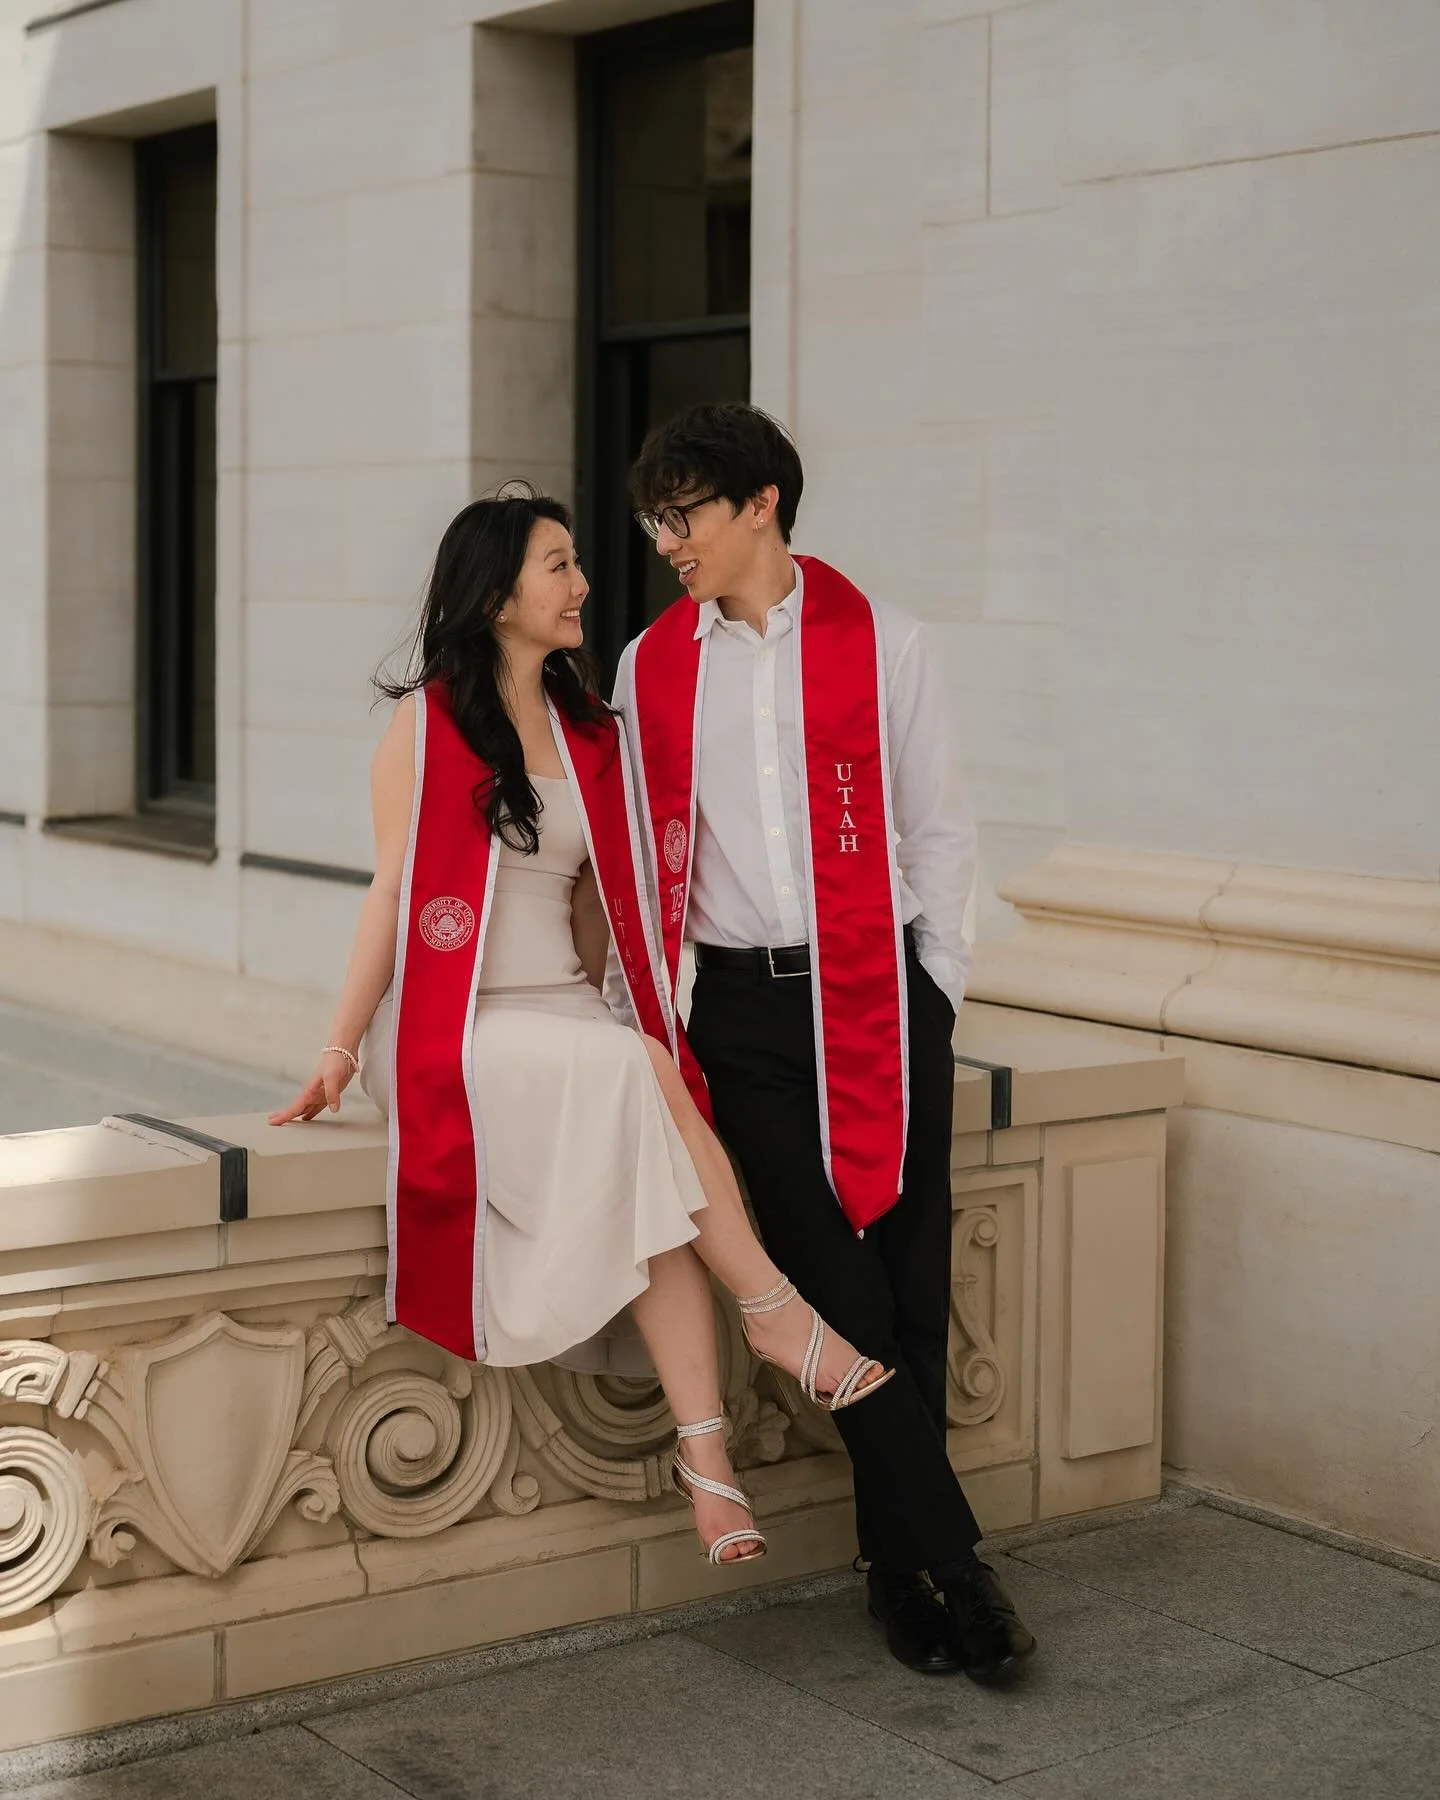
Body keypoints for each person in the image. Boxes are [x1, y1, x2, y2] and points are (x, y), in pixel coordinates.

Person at [269, 488, 894, 1570]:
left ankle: (708, 1463)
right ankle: (777, 1312)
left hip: (566, 1021)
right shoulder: (425, 725)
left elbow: (601, 911)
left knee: (644, 1135)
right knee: (635, 1074)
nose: (584, 585)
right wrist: (337, 1051)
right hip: (456, 1024)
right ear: (496, 591)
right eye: (559, 565)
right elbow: (389, 896)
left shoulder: (588, 728)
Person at [613, 405, 1037, 1677]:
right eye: (653, 519)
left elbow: (940, 829)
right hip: (742, 1014)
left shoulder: (884, 642)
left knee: (910, 1284)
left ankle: (896, 1574)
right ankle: (961, 1570)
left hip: (881, 993)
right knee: (832, 1294)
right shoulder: (650, 667)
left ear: (760, 505)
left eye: (682, 513)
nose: (664, 540)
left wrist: (938, 990)